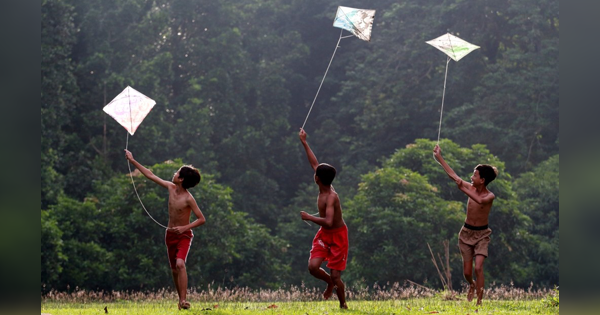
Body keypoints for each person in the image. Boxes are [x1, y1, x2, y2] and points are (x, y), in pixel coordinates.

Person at [125, 149, 206, 310]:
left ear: (181, 179)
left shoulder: (189, 199)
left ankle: (184, 300)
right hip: (170, 235)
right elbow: (151, 175)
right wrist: (133, 161)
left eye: (177, 173)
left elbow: (201, 219)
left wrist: (185, 228)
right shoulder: (170, 187)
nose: (174, 174)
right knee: (174, 270)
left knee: (180, 264)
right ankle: (180, 300)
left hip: (184, 236)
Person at [433, 144, 498, 306]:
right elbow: (453, 175)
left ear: (482, 180)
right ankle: (472, 284)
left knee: (478, 268)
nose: (471, 178)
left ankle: (479, 302)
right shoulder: (470, 187)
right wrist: (439, 157)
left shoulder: (490, 196)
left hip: (482, 235)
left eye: (474, 176)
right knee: (468, 272)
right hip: (466, 234)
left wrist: (463, 189)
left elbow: (480, 200)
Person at [298, 128, 349, 309]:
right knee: (313, 267)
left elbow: (328, 221)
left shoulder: (331, 197)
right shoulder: (324, 184)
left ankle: (343, 304)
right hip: (325, 235)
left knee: (337, 276)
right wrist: (304, 142)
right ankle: (329, 283)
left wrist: (309, 217)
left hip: (338, 236)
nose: (314, 171)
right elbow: (314, 163)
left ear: (317, 179)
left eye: (316, 172)